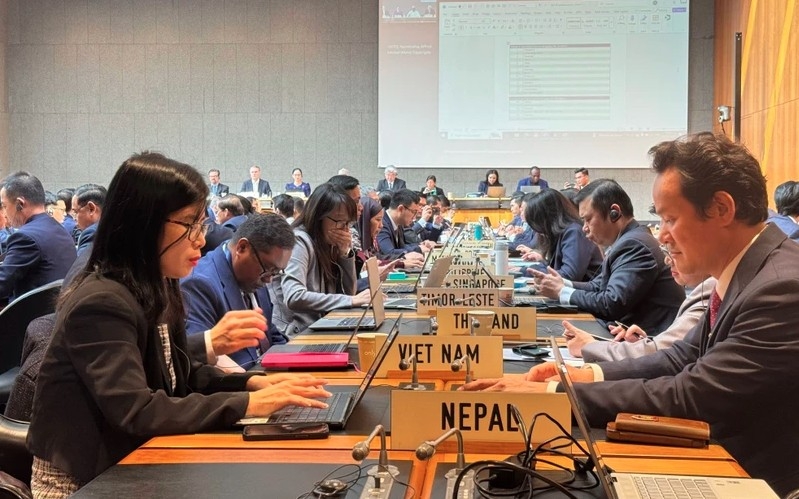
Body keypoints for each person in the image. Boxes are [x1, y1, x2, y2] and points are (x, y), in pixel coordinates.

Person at [465, 133, 799, 496]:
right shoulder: (747, 269)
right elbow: (680, 358)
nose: (663, 236)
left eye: (670, 219)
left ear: (721, 208)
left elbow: (692, 395)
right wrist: (584, 374)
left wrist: (555, 392)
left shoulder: (780, 287)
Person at [27, 153, 329, 497]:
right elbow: (137, 411)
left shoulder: (160, 282)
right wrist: (248, 405)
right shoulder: (102, 301)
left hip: (134, 460)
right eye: (190, 224)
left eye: (202, 224)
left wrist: (254, 383)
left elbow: (180, 376)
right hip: (84, 480)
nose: (201, 239)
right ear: (145, 223)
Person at [530, 179, 684, 334]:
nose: (584, 228)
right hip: (626, 333)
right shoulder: (628, 240)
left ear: (614, 213)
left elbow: (612, 304)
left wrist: (561, 292)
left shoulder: (635, 245)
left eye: (588, 219)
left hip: (646, 340)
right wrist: (562, 283)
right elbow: (597, 286)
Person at [182, 213, 292, 370]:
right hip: (237, 386)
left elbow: (270, 335)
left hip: (267, 375)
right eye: (268, 269)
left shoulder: (255, 277)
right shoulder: (199, 284)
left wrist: (295, 362)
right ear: (242, 248)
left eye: (276, 272)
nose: (269, 280)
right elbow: (200, 360)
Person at [270, 183, 373, 336]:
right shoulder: (299, 242)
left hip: (321, 325)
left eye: (348, 224)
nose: (345, 230)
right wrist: (350, 301)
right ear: (319, 217)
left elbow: (348, 292)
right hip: (295, 334)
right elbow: (294, 296)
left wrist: (345, 254)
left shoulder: (328, 242)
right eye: (340, 222)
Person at [564, 260, 716, 362]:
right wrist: (641, 343)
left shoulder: (712, 289)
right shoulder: (707, 287)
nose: (667, 260)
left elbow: (667, 356)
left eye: (674, 250)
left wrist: (590, 346)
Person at [0, 172, 76, 305]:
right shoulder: (60, 229)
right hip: (57, 311)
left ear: (20, 204)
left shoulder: (25, 237)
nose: (5, 213)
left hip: (31, 319)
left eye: (5, 206)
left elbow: (2, 284)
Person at [522, 189, 602, 282]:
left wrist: (525, 272)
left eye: (536, 223)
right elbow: (554, 267)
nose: (537, 230)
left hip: (584, 293)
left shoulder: (574, 232)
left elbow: (569, 275)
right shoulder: (562, 232)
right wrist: (522, 270)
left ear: (546, 218)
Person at [376, 189, 429, 263]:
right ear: (401, 209)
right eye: (414, 212)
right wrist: (418, 249)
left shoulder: (399, 222)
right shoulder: (382, 224)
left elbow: (402, 247)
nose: (414, 216)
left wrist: (419, 246)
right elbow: (388, 253)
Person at [72, 183, 107, 255]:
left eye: (76, 212)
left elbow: (80, 265)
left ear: (91, 209)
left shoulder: (91, 233)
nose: (74, 218)